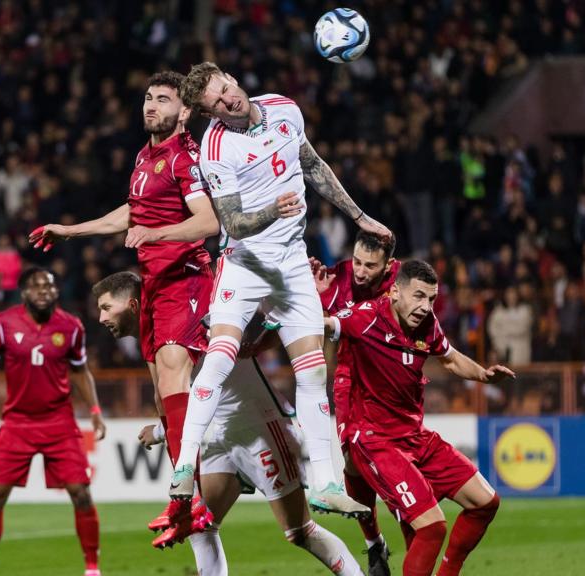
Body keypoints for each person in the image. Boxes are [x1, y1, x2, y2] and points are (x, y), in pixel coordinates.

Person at [169, 61, 391, 516]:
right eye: (214, 103)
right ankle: (183, 466)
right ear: (209, 112)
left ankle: (325, 484)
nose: (227, 101)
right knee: (220, 359)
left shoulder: (284, 108)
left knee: (311, 372)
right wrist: (273, 209)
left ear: (233, 77)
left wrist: (360, 217)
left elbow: (311, 164)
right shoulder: (215, 148)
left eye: (225, 88)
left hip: (291, 264)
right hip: (245, 263)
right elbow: (231, 222)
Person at [29, 71, 219, 533]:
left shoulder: (184, 159)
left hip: (187, 278)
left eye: (163, 100)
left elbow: (208, 222)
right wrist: (70, 230)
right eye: (148, 98)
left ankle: (187, 497)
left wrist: (156, 234)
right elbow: (133, 212)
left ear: (186, 111)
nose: (150, 106)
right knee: (162, 393)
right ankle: (190, 490)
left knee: (175, 372)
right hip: (154, 285)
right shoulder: (143, 157)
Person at [93, 271, 362, 573]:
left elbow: (268, 324)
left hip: (260, 426)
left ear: (131, 303)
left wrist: (257, 341)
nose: (100, 317)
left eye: (105, 307)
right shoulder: (151, 336)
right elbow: (177, 399)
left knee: (300, 532)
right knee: (200, 526)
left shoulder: (187, 316)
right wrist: (159, 430)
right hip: (220, 434)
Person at [325, 260, 514, 576]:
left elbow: (451, 359)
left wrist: (482, 374)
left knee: (486, 502)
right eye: (419, 296)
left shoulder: (426, 325)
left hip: (414, 435)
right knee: (432, 528)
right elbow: (326, 324)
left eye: (431, 298)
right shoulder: (365, 318)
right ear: (395, 292)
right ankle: (374, 543)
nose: (426, 307)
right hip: (375, 439)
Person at [0, 268, 106, 576]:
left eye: (49, 286)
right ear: (24, 293)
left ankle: (92, 568)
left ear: (57, 292)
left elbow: (81, 371)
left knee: (81, 492)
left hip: (59, 421)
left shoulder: (71, 327)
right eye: (36, 286)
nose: (43, 291)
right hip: (17, 422)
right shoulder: (3, 324)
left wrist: (95, 411)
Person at [310, 230, 399, 575]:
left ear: (388, 265)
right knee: (351, 462)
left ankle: (415, 521)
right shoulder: (338, 277)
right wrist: (319, 296)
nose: (360, 271)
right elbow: (323, 326)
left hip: (392, 377)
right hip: (351, 377)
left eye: (370, 266)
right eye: (358, 261)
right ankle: (374, 542)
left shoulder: (403, 281)